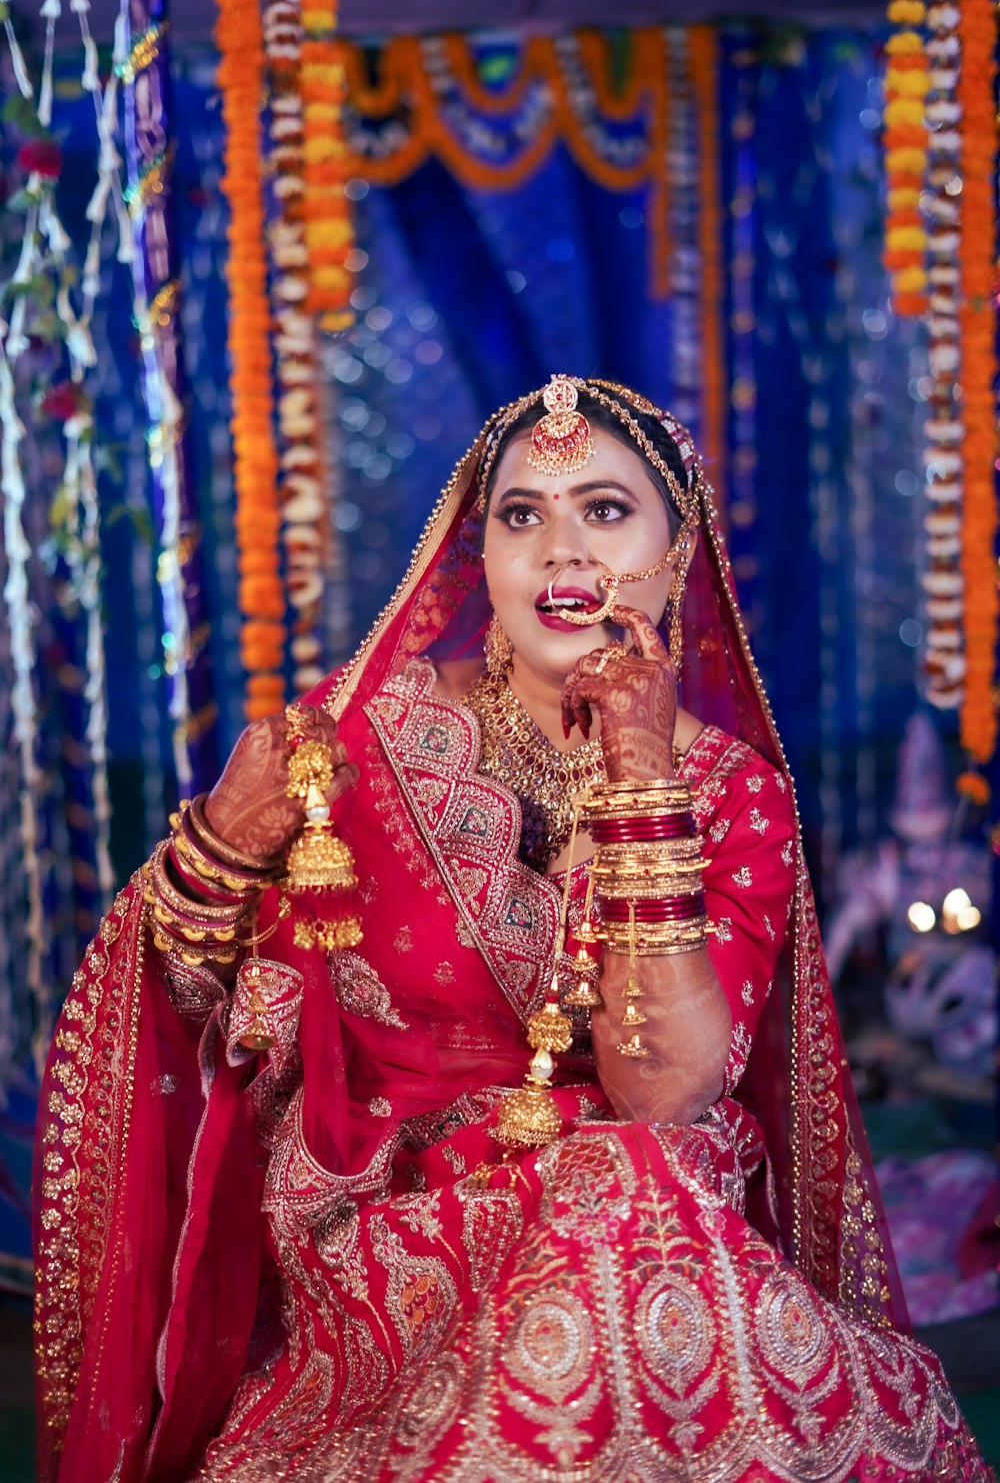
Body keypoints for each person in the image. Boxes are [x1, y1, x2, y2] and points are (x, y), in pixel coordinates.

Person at [34, 377, 991, 1483]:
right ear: (476, 552)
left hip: (649, 1213)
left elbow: (665, 1090)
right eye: (521, 516)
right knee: (625, 1207)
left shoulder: (729, 795)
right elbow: (184, 1022)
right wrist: (214, 850)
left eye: (606, 509)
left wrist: (639, 778)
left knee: (634, 1180)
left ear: (678, 552)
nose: (559, 553)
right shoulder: (354, 748)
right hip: (394, 1215)